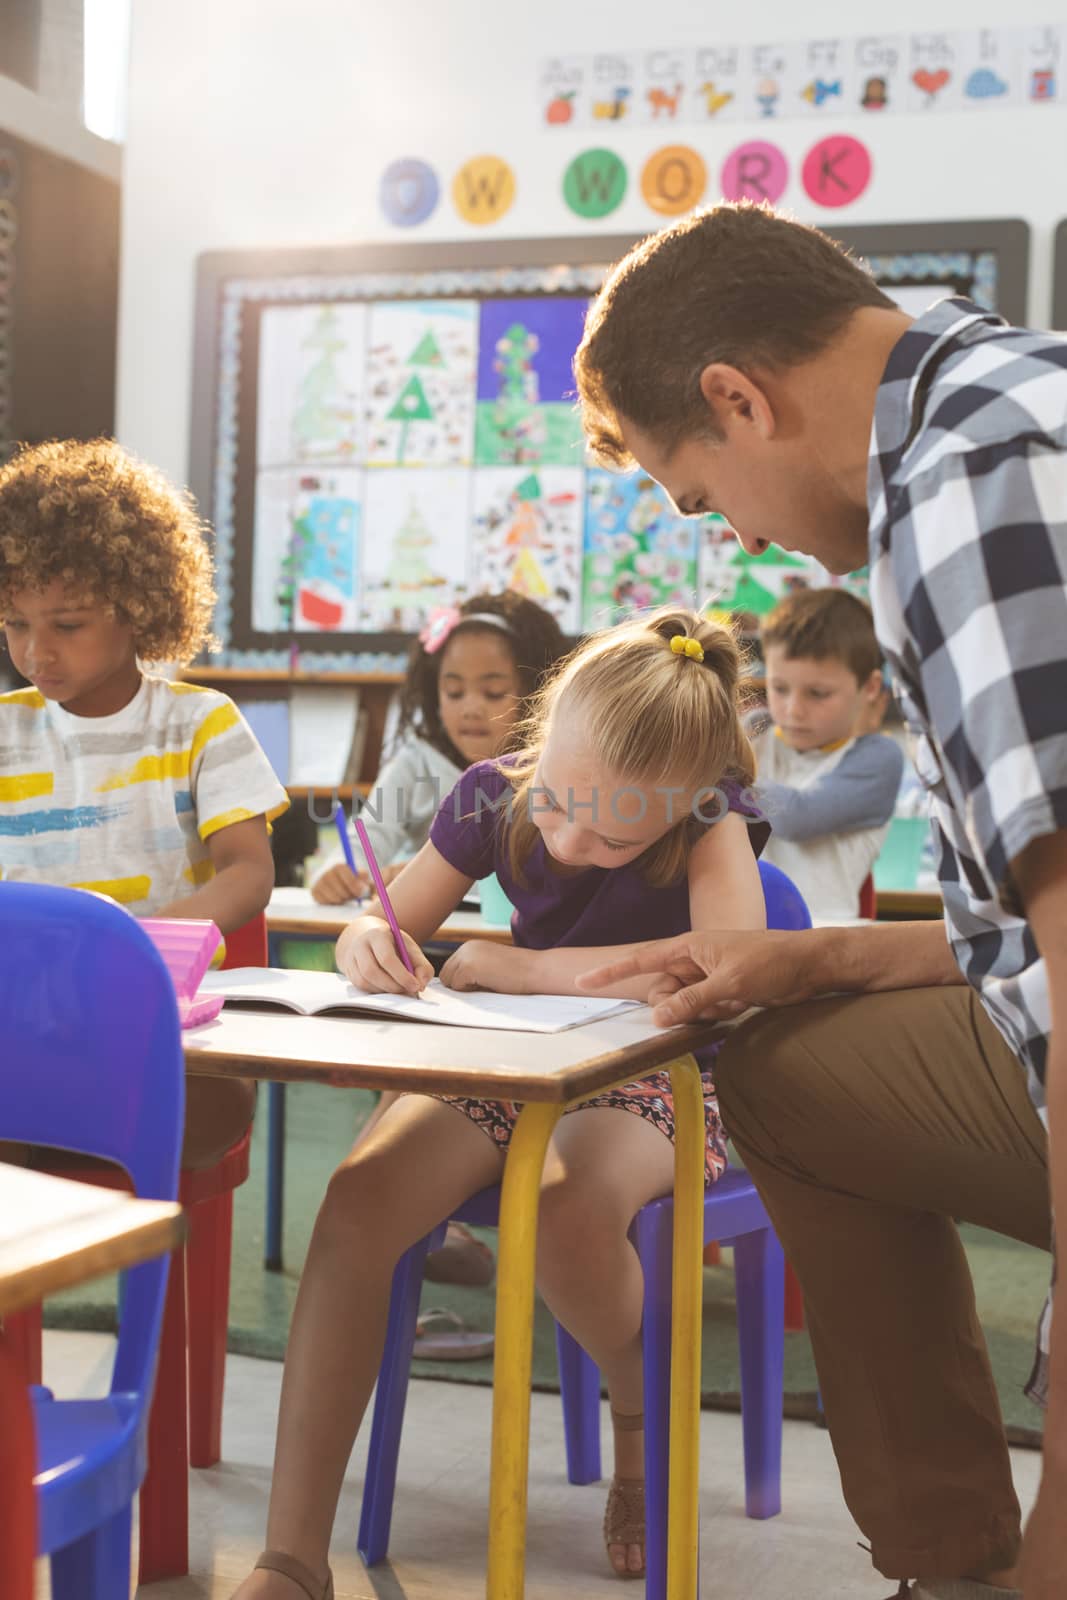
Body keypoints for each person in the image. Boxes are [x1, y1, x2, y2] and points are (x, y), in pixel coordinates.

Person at [571, 201, 1064, 1600]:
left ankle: (986, 1569)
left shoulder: (968, 479)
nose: (740, 540)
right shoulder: (1006, 390)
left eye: (699, 493)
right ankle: (943, 1559)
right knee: (792, 1066)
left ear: (738, 399)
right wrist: (823, 957)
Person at [232, 607, 769, 1599]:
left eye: (609, 832)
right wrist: (368, 943)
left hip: (655, 1078)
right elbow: (385, 925)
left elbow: (724, 973)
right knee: (356, 1204)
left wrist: (519, 970)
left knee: (566, 1208)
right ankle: (291, 1557)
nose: (565, 835)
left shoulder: (707, 815)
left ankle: (634, 1419)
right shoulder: (491, 796)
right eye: (559, 800)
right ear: (545, 725)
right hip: (505, 1065)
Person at [0, 437, 288, 1169]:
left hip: (166, 1035)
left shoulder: (199, 723)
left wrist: (127, 955)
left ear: (139, 607)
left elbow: (248, 873)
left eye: (66, 624)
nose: (37, 653)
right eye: (15, 624)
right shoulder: (7, 729)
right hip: (28, 1031)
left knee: (168, 1110)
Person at [311, 590, 567, 1290]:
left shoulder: (563, 772)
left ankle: (407, 1226)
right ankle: (414, 1228)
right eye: (453, 689)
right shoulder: (419, 763)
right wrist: (348, 877)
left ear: (540, 690)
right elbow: (369, 848)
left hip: (527, 983)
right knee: (404, 1038)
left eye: (493, 689)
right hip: (434, 966)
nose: (470, 708)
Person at [751, 587, 903, 923]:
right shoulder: (756, 732)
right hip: (747, 929)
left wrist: (726, 779)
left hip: (827, 937)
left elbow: (796, 817)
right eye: (779, 688)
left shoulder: (878, 759)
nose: (793, 710)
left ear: (871, 688)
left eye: (818, 694)